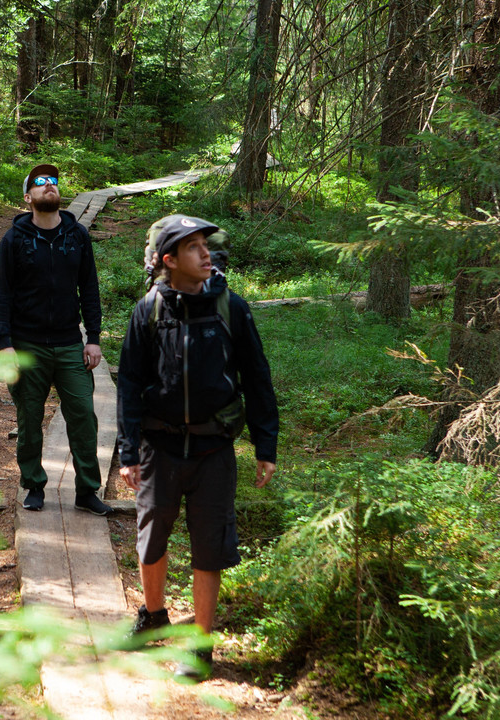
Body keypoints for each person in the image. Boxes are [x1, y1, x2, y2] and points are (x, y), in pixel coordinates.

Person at [117, 214, 279, 681]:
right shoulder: (148, 310)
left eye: (206, 245)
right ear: (169, 260)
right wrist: (129, 451)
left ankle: (202, 646)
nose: (206, 253)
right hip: (159, 447)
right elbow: (129, 383)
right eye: (193, 248)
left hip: (214, 450)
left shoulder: (232, 308)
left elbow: (257, 378)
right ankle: (153, 617)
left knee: (211, 546)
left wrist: (265, 444)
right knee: (152, 535)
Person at [0, 163, 112, 516]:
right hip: (27, 345)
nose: (49, 185)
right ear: (28, 197)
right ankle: (34, 485)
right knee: (29, 418)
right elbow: (2, 296)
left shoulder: (76, 237)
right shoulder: (13, 240)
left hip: (69, 343)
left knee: (84, 416)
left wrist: (93, 338)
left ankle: (88, 490)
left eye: (53, 182)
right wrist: (6, 344)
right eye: (40, 183)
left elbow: (89, 289)